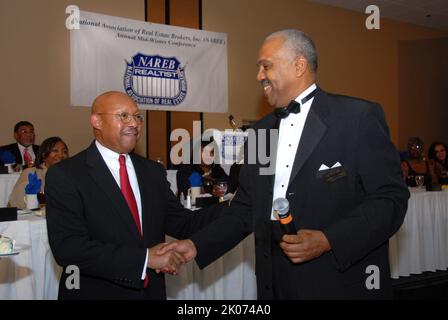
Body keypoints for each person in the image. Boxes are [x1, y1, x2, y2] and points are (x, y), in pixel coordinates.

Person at [160, 29, 410, 299]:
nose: (259, 76)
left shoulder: (357, 118)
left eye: (265, 66)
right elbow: (246, 209)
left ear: (299, 65)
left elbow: (390, 200)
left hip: (340, 280)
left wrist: (328, 240)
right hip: (274, 282)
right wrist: (197, 245)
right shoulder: (260, 133)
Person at [45, 91, 219, 300]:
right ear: (96, 121)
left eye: (137, 116)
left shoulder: (152, 171)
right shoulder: (66, 175)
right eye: (123, 116)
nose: (134, 123)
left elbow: (182, 222)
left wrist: (237, 206)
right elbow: (69, 249)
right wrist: (145, 259)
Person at [8, 137, 69, 209]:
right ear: (44, 154)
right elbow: (17, 203)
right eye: (55, 150)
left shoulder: (71, 175)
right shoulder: (31, 173)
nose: (61, 155)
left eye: (64, 151)